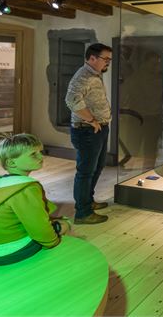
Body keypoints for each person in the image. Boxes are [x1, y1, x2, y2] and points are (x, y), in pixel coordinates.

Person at [0, 134, 69, 266]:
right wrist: (52, 242)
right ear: (11, 162)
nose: (41, 157)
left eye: (40, 152)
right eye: (33, 154)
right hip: (8, 253)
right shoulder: (26, 188)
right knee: (63, 225)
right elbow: (38, 226)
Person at [65, 43, 112, 224]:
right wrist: (91, 120)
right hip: (87, 130)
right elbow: (71, 99)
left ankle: (88, 202)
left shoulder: (95, 74)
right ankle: (82, 213)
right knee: (85, 172)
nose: (108, 63)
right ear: (92, 58)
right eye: (105, 59)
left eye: (109, 59)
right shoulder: (83, 75)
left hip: (97, 129)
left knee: (96, 167)